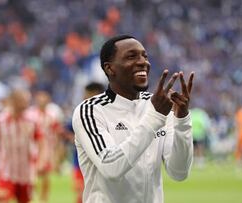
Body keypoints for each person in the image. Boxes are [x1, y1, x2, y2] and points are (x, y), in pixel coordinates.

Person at [72, 35, 194, 203]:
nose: (143, 62)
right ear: (110, 69)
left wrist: (181, 121)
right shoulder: (90, 111)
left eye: (145, 56)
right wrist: (155, 118)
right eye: (131, 56)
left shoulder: (157, 106)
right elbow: (111, 167)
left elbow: (178, 172)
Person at [0, 89, 45, 203]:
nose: (26, 103)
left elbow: (41, 142)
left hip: (26, 173)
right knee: (2, 200)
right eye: (23, 100)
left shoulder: (32, 121)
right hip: (5, 171)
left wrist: (40, 162)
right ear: (13, 101)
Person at [27, 90, 63, 203]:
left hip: (47, 150)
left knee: (45, 176)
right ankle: (32, 197)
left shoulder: (52, 115)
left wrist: (56, 154)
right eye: (40, 99)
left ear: (48, 100)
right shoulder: (30, 114)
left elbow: (57, 134)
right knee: (32, 175)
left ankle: (43, 199)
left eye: (44, 99)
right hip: (32, 149)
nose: (42, 101)